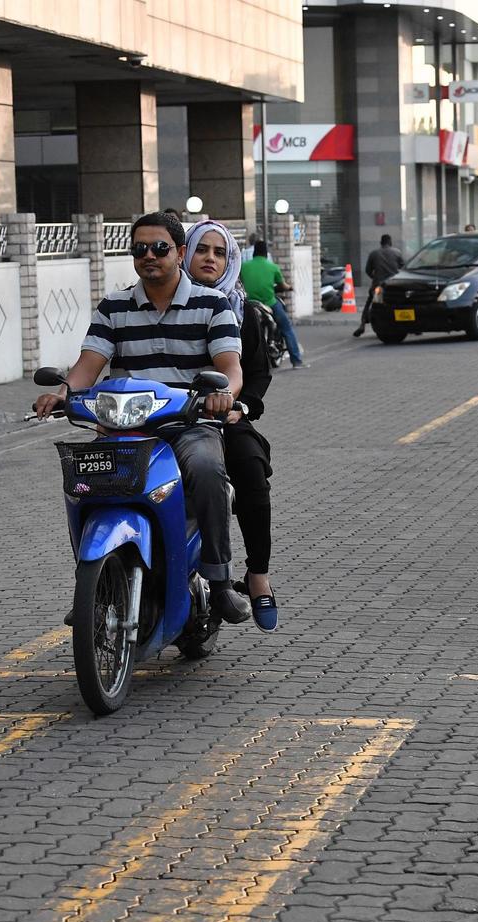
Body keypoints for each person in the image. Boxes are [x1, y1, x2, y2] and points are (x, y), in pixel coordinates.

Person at [34, 211, 250, 624]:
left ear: (179, 253)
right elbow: (87, 365)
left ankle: (220, 582)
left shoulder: (212, 304)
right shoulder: (114, 306)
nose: (149, 255)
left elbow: (231, 368)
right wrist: (63, 393)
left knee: (207, 470)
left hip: (189, 424)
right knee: (82, 482)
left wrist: (223, 395)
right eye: (140, 249)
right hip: (124, 429)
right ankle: (91, 585)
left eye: (160, 248)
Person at [184, 220, 280, 632]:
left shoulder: (243, 310)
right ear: (185, 253)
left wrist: (241, 406)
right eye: (201, 249)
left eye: (219, 252)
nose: (209, 258)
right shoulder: (161, 299)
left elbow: (257, 373)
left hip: (226, 418)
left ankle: (257, 574)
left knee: (252, 471)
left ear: (230, 260)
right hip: (164, 417)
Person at [240, 241, 304, 368]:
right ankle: (296, 361)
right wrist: (290, 287)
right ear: (266, 253)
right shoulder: (273, 267)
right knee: (287, 328)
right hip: (269, 303)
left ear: (254, 253)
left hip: (250, 305)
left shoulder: (243, 266)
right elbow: (282, 285)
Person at [355, 233, 405, 337]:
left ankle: (362, 325)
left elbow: (368, 270)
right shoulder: (397, 253)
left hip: (378, 286)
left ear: (380, 243)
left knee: (369, 303)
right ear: (390, 242)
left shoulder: (374, 254)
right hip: (394, 286)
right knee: (404, 304)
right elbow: (404, 268)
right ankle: (413, 326)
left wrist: (375, 278)